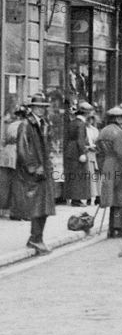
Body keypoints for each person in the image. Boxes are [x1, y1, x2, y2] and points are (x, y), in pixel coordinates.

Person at [10, 94, 56, 254]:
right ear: (32, 108)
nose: (42, 109)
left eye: (43, 106)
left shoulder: (43, 124)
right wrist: (33, 167)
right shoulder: (26, 125)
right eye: (39, 107)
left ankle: (37, 238)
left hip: (44, 171)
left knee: (44, 208)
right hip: (34, 173)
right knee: (37, 208)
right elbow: (22, 149)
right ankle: (35, 238)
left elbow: (47, 145)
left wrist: (48, 163)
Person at [96, 106, 122, 239]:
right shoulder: (119, 133)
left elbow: (99, 153)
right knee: (120, 198)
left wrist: (102, 167)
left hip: (107, 164)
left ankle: (112, 228)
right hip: (119, 166)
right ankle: (117, 227)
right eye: (120, 117)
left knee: (111, 197)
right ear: (116, 118)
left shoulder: (102, 132)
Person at [64, 101, 94, 207]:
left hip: (70, 150)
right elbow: (80, 139)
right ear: (86, 114)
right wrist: (82, 152)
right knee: (79, 176)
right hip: (77, 151)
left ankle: (72, 198)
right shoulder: (81, 125)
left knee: (73, 175)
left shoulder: (72, 122)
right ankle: (77, 199)